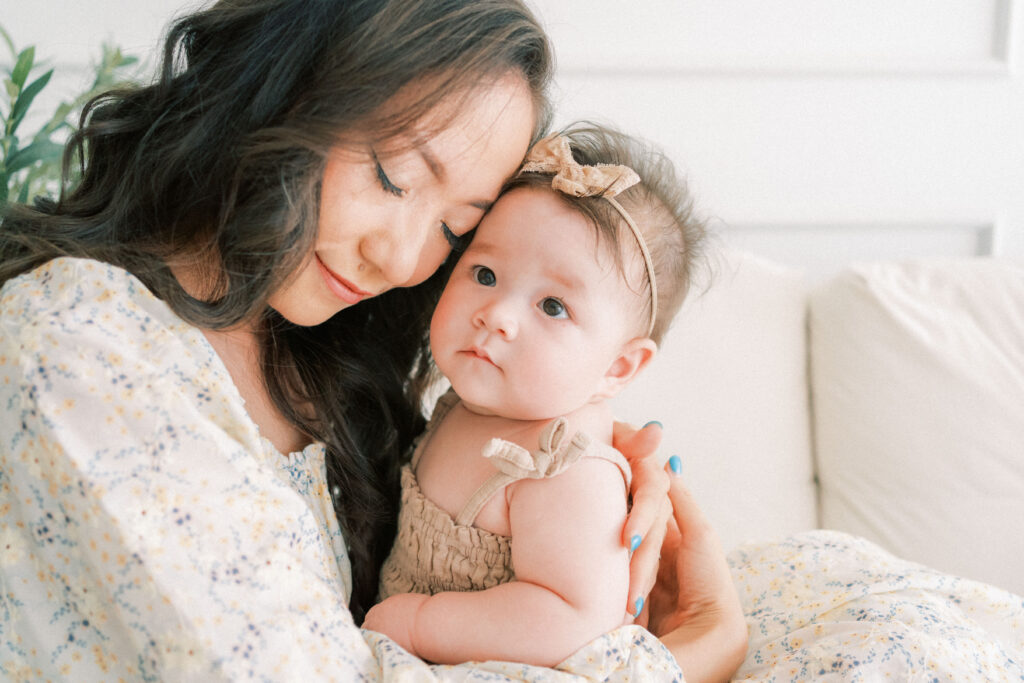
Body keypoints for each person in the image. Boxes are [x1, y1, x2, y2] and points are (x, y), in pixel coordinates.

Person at [0, 0, 746, 680]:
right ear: (285, 82)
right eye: (393, 176)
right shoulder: (78, 339)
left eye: (455, 229)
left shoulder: (309, 348)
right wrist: (693, 654)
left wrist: (582, 449)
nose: (403, 261)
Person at [362, 126, 710, 669]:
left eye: (552, 307)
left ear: (617, 367)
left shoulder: (565, 468)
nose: (496, 315)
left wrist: (419, 623)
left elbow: (573, 614)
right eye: (484, 273)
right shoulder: (472, 403)